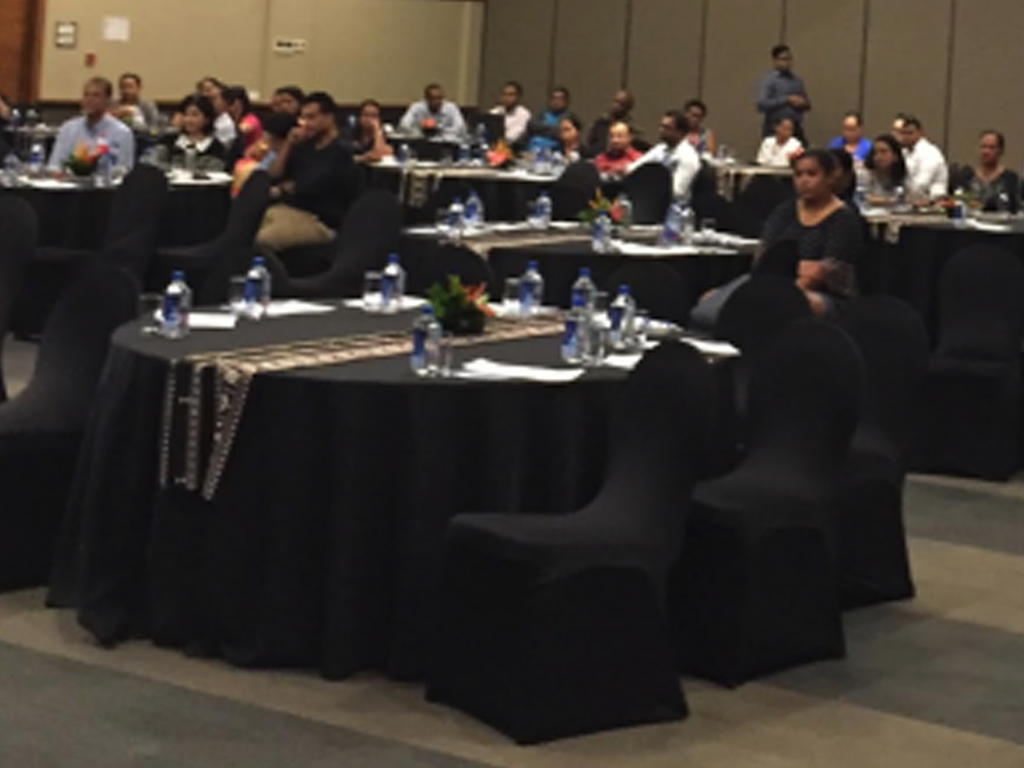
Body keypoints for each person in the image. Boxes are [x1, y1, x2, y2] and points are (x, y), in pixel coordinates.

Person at [759, 149, 864, 315]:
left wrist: (792, 286)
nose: (804, 181)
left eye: (812, 174)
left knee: (795, 303)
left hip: (827, 294)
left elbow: (824, 271)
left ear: (829, 178)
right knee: (712, 300)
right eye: (799, 175)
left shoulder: (843, 218)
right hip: (775, 283)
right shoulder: (785, 211)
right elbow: (765, 254)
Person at [258, 92, 361, 252]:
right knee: (246, 228)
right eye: (304, 118)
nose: (306, 124)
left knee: (263, 240)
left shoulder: (342, 151)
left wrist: (288, 187)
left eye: (311, 118)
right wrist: (288, 143)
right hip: (292, 209)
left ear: (329, 118)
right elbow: (274, 174)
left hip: (321, 220)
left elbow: (307, 186)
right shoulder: (306, 146)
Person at [48, 77, 135, 170]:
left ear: (108, 101)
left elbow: (124, 171)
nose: (89, 100)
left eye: (96, 95)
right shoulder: (68, 128)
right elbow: (54, 165)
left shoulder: (122, 133)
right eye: (86, 95)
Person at [629, 110, 701, 201]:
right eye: (661, 126)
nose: (660, 130)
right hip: (651, 201)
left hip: (674, 210)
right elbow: (634, 168)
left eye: (666, 128)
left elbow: (677, 192)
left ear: (680, 132)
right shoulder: (660, 148)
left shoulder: (688, 156)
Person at [950, 130, 1021, 213]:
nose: (986, 151)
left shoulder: (1010, 179)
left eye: (991, 148)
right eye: (983, 147)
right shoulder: (966, 178)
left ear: (1000, 151)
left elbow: (1015, 209)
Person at [756, 44, 811, 140]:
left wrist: (803, 103)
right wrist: (786, 100)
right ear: (775, 61)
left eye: (789, 59)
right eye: (783, 59)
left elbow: (808, 104)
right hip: (774, 129)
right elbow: (761, 104)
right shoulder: (769, 81)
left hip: (795, 128)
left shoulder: (796, 81)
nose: (787, 62)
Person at [166, 94, 227, 170]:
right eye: (186, 114)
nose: (188, 120)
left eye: (195, 115)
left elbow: (215, 171)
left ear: (207, 119)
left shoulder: (216, 147)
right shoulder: (169, 141)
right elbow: (154, 163)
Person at [897, 115, 948, 200]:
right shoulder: (904, 152)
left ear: (920, 133)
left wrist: (899, 193)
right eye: (903, 133)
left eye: (910, 133)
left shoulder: (930, 153)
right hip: (911, 200)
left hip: (933, 203)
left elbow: (920, 186)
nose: (905, 137)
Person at [398, 83, 466, 141]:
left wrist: (439, 130)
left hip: (446, 143)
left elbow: (460, 127)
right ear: (426, 98)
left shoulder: (451, 108)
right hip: (422, 142)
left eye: (439, 98)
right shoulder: (417, 107)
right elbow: (403, 125)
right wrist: (420, 131)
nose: (437, 102)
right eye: (433, 98)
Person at [586, 89, 637, 155]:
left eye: (621, 104)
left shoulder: (631, 128)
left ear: (629, 107)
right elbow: (590, 141)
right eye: (615, 102)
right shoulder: (601, 122)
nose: (616, 106)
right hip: (597, 159)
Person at [528, 86, 575, 153]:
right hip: (533, 148)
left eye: (560, 99)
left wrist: (540, 130)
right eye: (554, 98)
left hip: (554, 151)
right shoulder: (543, 113)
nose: (556, 101)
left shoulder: (570, 116)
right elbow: (532, 126)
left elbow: (560, 133)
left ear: (566, 101)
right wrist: (552, 128)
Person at [863, 134, 908, 203]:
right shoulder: (865, 175)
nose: (878, 156)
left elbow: (908, 198)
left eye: (883, 152)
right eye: (875, 152)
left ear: (895, 156)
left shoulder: (905, 176)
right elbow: (861, 198)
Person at [348, 99, 394, 165]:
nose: (369, 119)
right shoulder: (349, 134)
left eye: (374, 116)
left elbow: (378, 154)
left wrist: (377, 131)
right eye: (365, 115)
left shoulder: (384, 135)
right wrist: (364, 157)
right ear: (359, 117)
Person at [489, 81, 531, 146]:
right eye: (504, 94)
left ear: (519, 97)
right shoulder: (494, 112)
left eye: (511, 95)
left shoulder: (523, 114)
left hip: (512, 149)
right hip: (493, 146)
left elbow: (513, 137)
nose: (507, 98)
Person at [221, 86, 263, 152]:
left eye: (230, 103)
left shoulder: (250, 119)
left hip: (251, 158)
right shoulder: (230, 118)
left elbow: (240, 132)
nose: (226, 107)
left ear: (239, 103)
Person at [203, 79, 237, 147]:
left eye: (213, 99)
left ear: (225, 102)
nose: (208, 103)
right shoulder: (208, 119)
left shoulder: (225, 124)